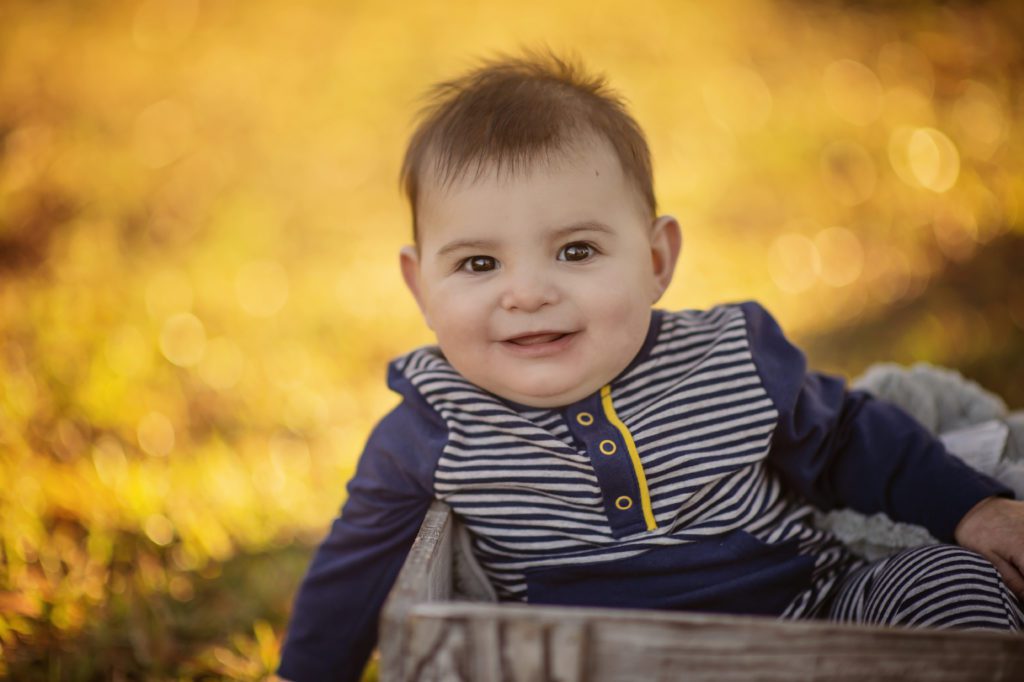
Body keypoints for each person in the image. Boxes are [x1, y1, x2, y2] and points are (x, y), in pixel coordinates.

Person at [277, 51, 1024, 682]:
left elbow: (851, 439)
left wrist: (973, 509)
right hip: (592, 665)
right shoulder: (433, 426)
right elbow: (354, 571)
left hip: (816, 625)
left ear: (657, 259)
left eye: (576, 251)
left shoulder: (730, 358)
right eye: (478, 263)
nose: (528, 293)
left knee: (951, 582)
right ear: (419, 287)